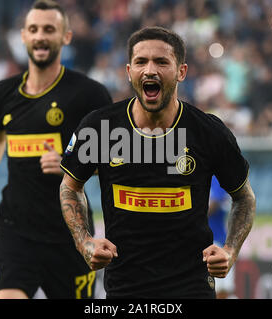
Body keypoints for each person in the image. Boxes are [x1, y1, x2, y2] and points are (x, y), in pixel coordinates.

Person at [59, 27, 256, 298]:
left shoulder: (209, 132)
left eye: (161, 62)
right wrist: (84, 242)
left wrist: (231, 251)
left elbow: (244, 198)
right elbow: (70, 187)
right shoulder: (99, 127)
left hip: (191, 288)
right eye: (141, 62)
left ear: (181, 72)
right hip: (125, 288)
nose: (150, 70)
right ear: (129, 72)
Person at [0, 0, 112, 299]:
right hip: (16, 229)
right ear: (23, 36)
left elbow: (117, 158)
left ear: (66, 37)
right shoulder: (3, 93)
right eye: (33, 29)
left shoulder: (89, 94)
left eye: (49, 29)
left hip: (71, 233)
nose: (40, 36)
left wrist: (71, 164)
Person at [208, 176, 237, 299]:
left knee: (221, 291)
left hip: (216, 242)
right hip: (199, 242)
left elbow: (213, 205)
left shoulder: (216, 178)